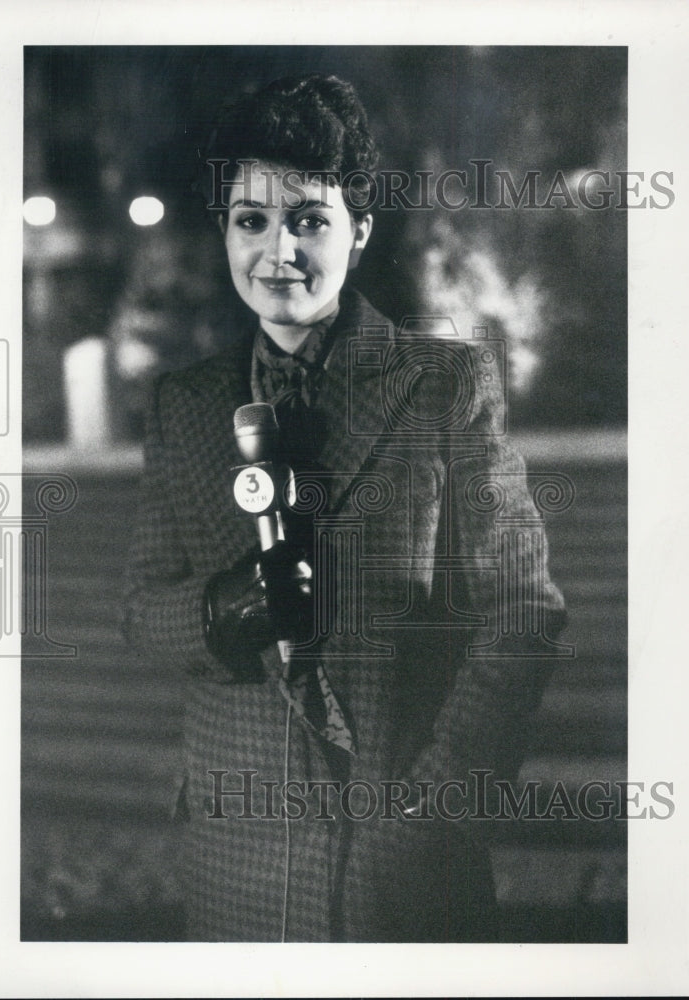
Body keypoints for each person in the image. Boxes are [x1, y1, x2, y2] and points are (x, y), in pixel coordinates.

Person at [122, 73, 567, 942]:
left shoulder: (441, 386)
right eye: (251, 219)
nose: (277, 250)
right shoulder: (186, 404)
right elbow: (142, 610)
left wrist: (431, 815)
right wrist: (222, 610)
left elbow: (522, 615)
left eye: (309, 220)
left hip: (398, 871)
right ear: (224, 229)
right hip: (238, 870)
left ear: (358, 232)